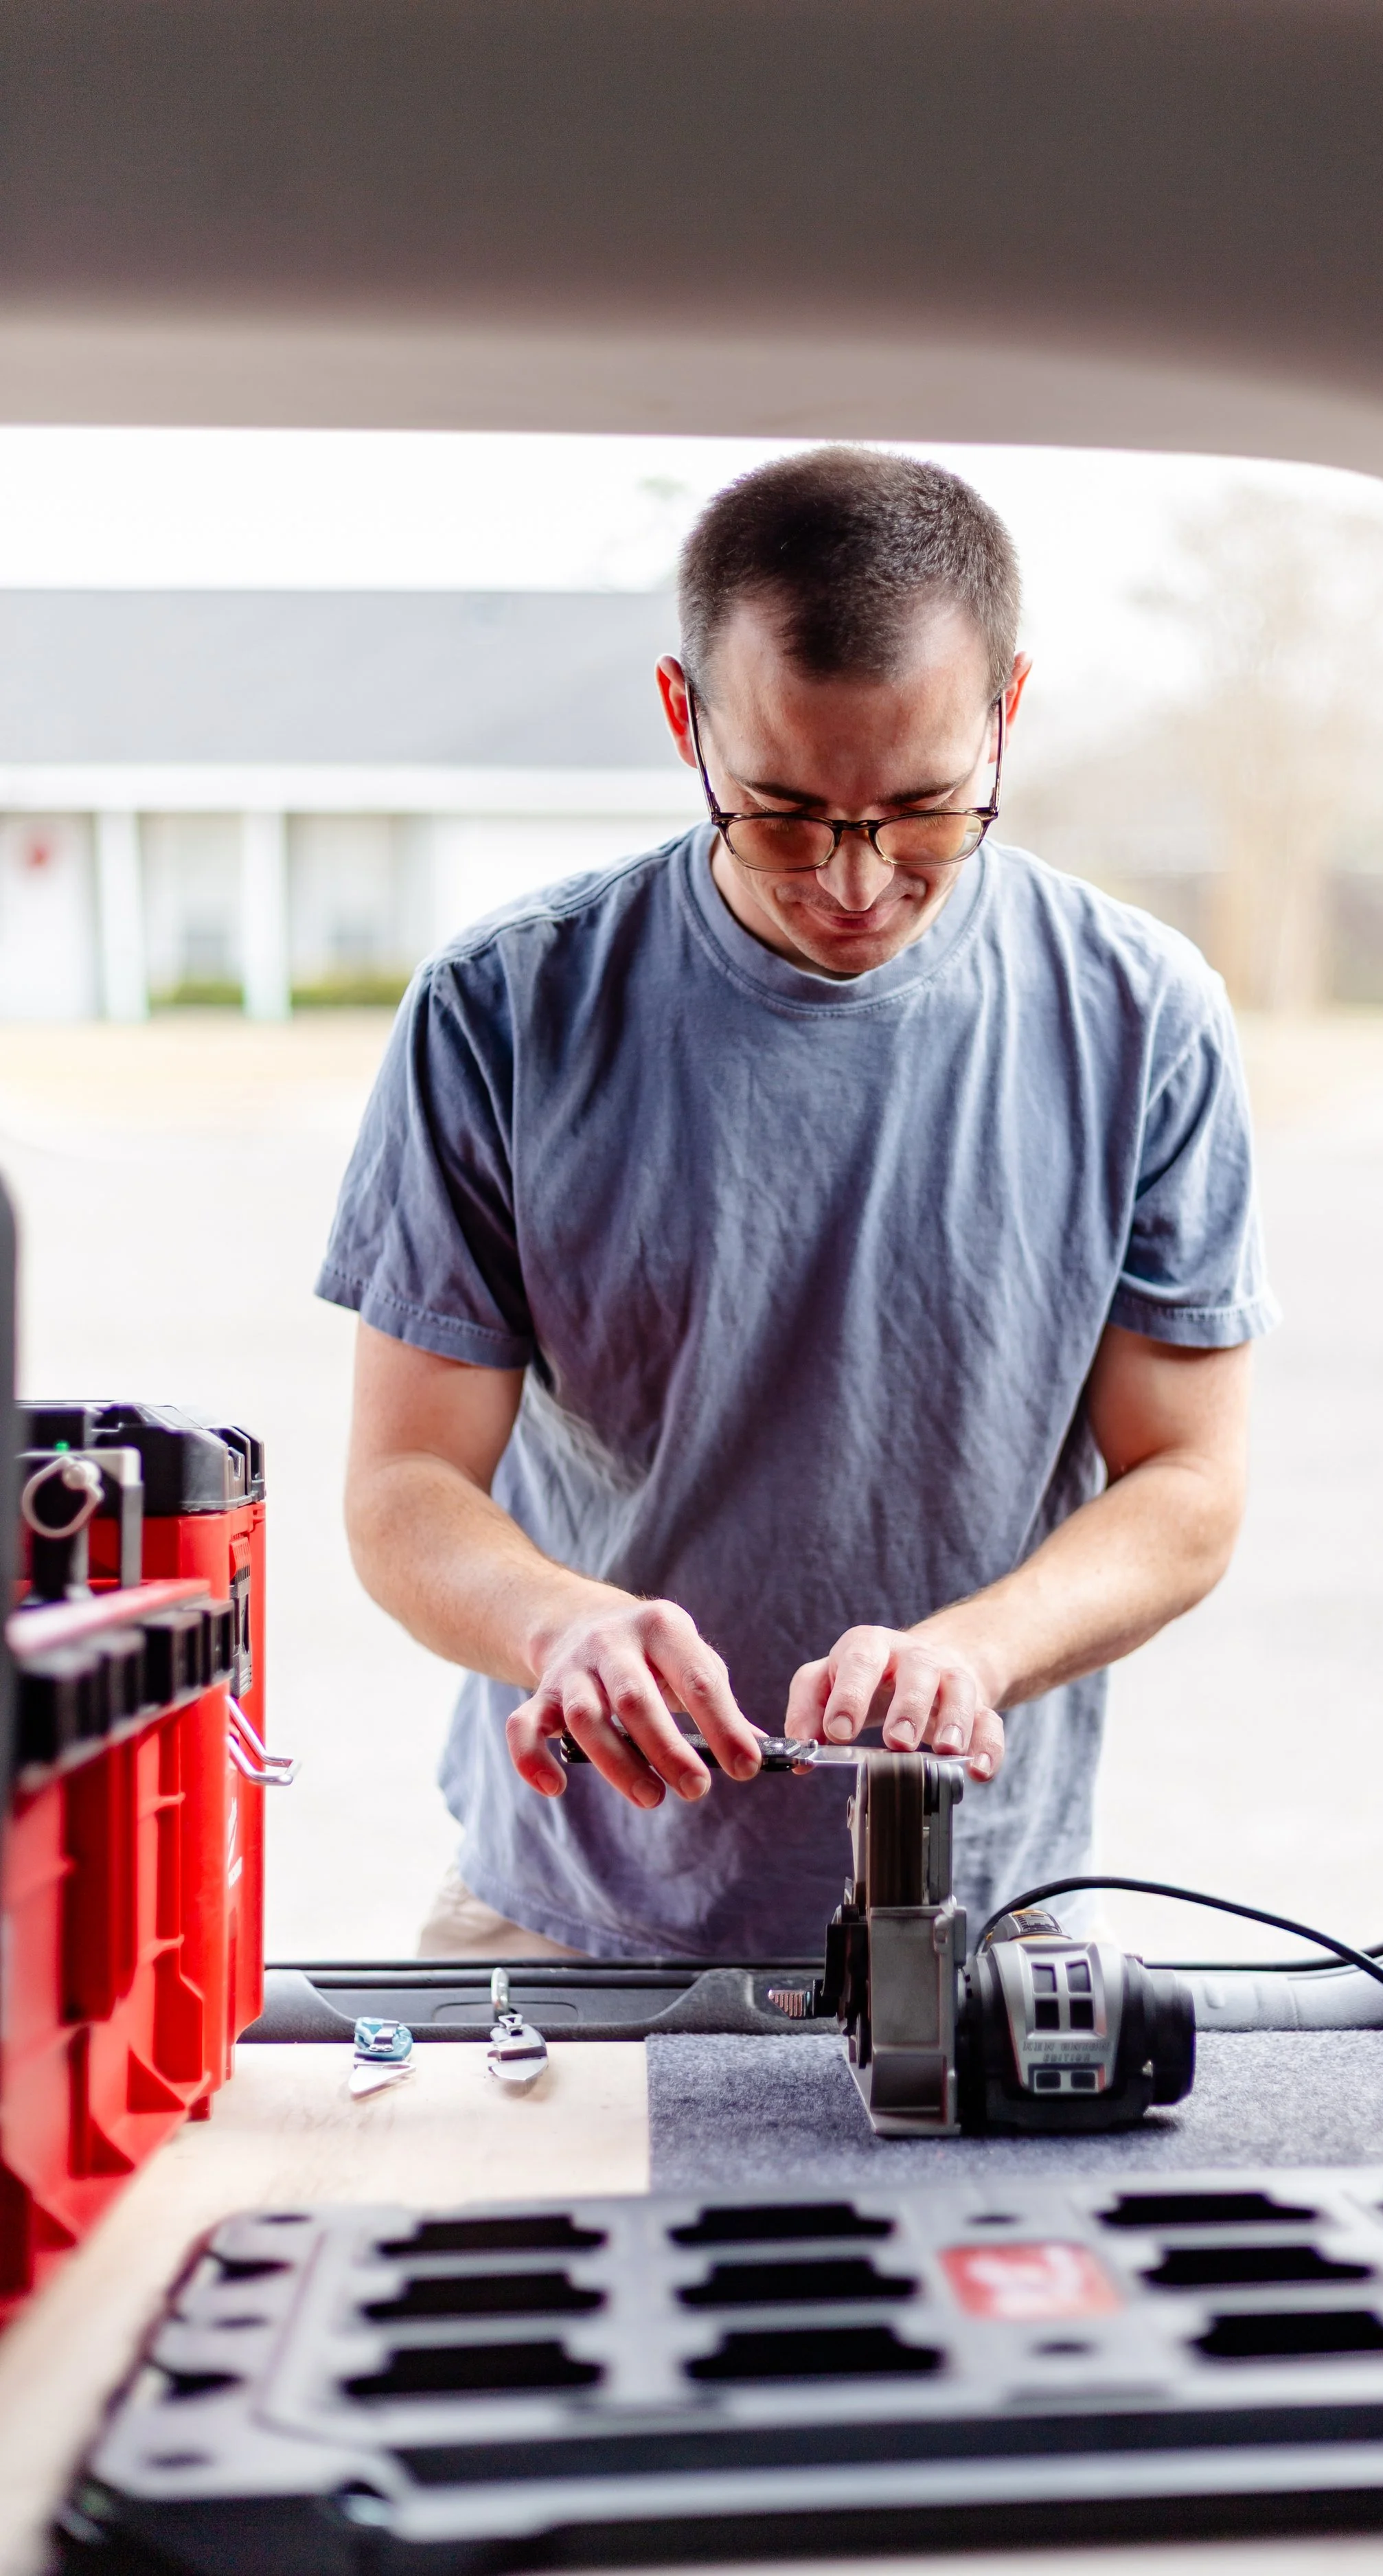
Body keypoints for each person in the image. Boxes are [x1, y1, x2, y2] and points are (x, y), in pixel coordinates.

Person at [318, 446, 1278, 1965]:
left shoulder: (1145, 1015)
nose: (852, 880)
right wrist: (555, 1624)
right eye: (778, 811)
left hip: (982, 1921)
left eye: (922, 809)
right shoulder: (499, 1009)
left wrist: (976, 1652)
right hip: (562, 1918)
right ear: (681, 717)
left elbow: (1185, 1486)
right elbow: (401, 1492)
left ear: (1005, 716)